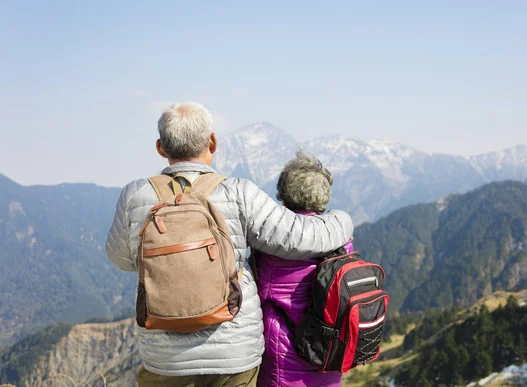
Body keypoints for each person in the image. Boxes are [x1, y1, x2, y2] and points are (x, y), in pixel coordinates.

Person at [105, 102, 354, 387]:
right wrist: (342, 219)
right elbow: (301, 237)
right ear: (212, 142)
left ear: (161, 148)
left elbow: (121, 258)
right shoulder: (238, 193)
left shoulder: (135, 196)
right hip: (233, 351)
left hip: (164, 356)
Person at [254, 151, 350, 387]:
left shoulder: (271, 246)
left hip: (285, 361)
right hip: (329, 354)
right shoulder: (343, 242)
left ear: (284, 195)